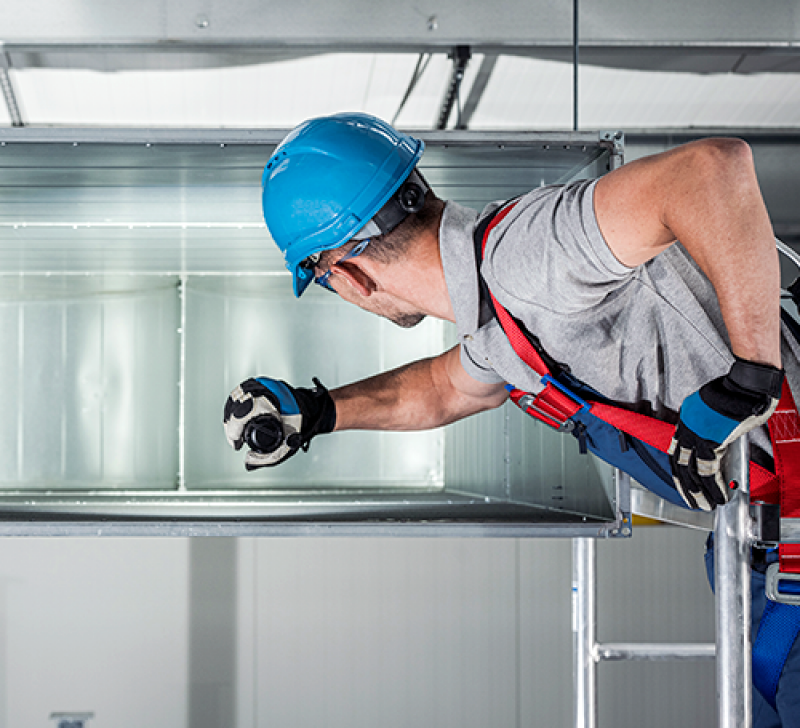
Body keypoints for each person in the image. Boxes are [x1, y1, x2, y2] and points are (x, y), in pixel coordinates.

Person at [223, 112, 800, 724]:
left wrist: (748, 380)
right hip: (769, 552)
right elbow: (448, 388)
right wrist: (316, 412)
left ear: (348, 275)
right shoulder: (498, 313)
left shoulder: (526, 254)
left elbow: (711, 170)